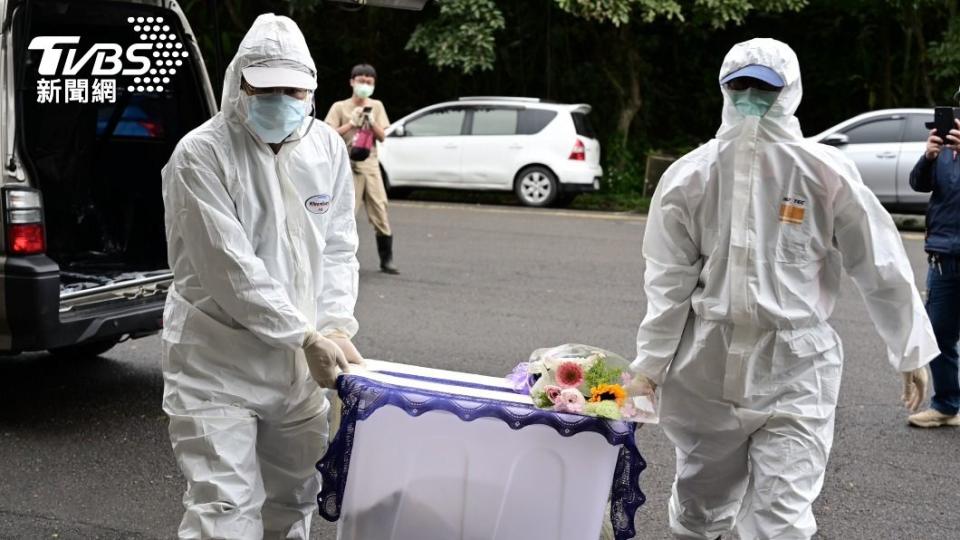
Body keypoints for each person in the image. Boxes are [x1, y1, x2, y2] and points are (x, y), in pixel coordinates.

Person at [631, 38, 936, 540]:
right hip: (706, 363)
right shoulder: (690, 176)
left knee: (782, 521)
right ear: (725, 90)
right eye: (742, 86)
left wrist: (910, 350)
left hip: (796, 367)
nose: (752, 97)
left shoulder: (823, 172)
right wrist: (648, 367)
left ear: (789, 92)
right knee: (699, 511)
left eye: (764, 89)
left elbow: (879, 263)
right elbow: (667, 283)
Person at [160, 14, 364, 539]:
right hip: (215, 366)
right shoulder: (202, 154)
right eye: (265, 88)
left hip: (299, 372)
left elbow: (338, 245)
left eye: (293, 89)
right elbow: (231, 270)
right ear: (239, 85)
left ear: (312, 89)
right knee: (223, 511)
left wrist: (337, 324)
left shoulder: (326, 148)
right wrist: (307, 335)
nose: (281, 100)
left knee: (292, 504)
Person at [906, 92, 960, 428]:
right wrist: (928, 157)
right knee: (938, 336)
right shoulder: (941, 150)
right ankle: (947, 405)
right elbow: (917, 183)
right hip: (944, 258)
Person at [325, 64, 399, 274]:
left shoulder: (377, 105)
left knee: (380, 209)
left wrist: (371, 121)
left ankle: (387, 259)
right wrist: (351, 123)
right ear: (352, 82)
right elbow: (329, 135)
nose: (365, 85)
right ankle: (339, 258)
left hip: (371, 165)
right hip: (347, 166)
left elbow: (383, 136)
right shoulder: (340, 107)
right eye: (361, 81)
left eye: (369, 82)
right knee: (345, 213)